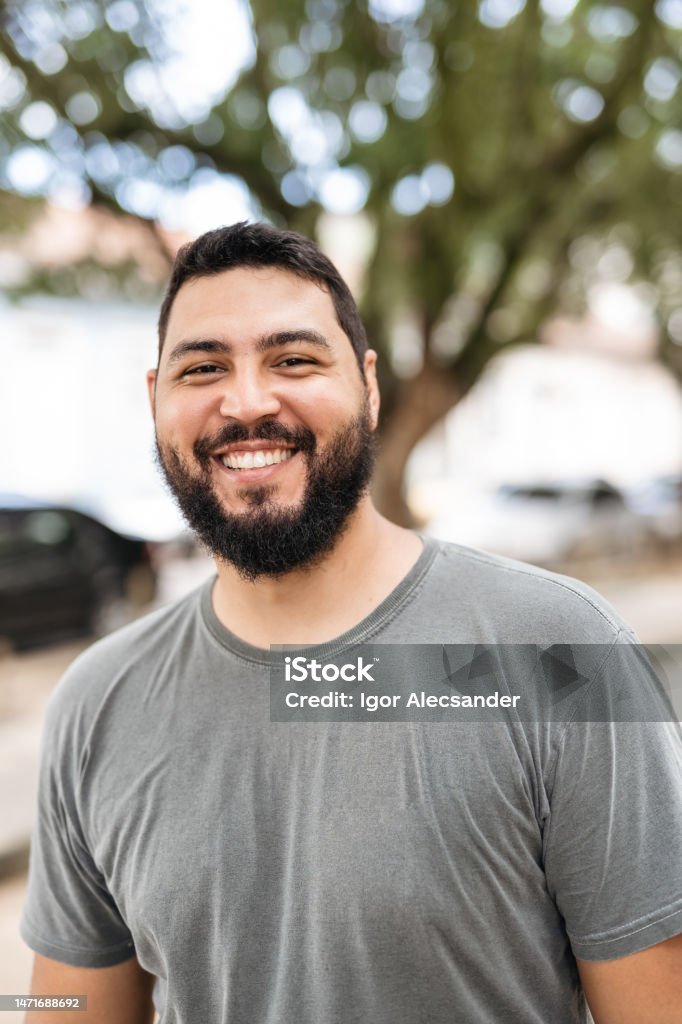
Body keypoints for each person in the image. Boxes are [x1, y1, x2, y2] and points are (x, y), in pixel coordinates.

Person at [20, 222, 682, 1024]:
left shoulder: (561, 653)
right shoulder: (96, 703)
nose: (248, 401)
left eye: (293, 359)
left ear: (368, 386)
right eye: (204, 368)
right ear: (156, 400)